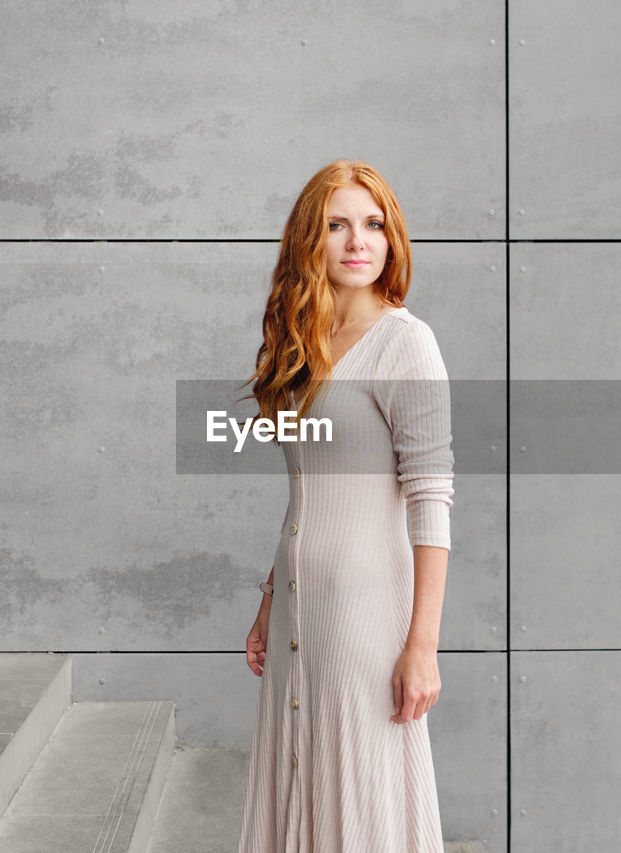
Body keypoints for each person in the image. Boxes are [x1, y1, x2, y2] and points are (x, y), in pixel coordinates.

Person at [236, 159, 455, 852]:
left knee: (359, 801)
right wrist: (272, 596)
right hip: (304, 608)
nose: (358, 241)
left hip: (366, 618)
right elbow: (307, 496)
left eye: (373, 224)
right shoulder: (300, 347)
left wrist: (422, 645)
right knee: (298, 783)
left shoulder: (405, 345)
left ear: (392, 240)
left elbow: (431, 495)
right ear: (311, 239)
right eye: (337, 225)